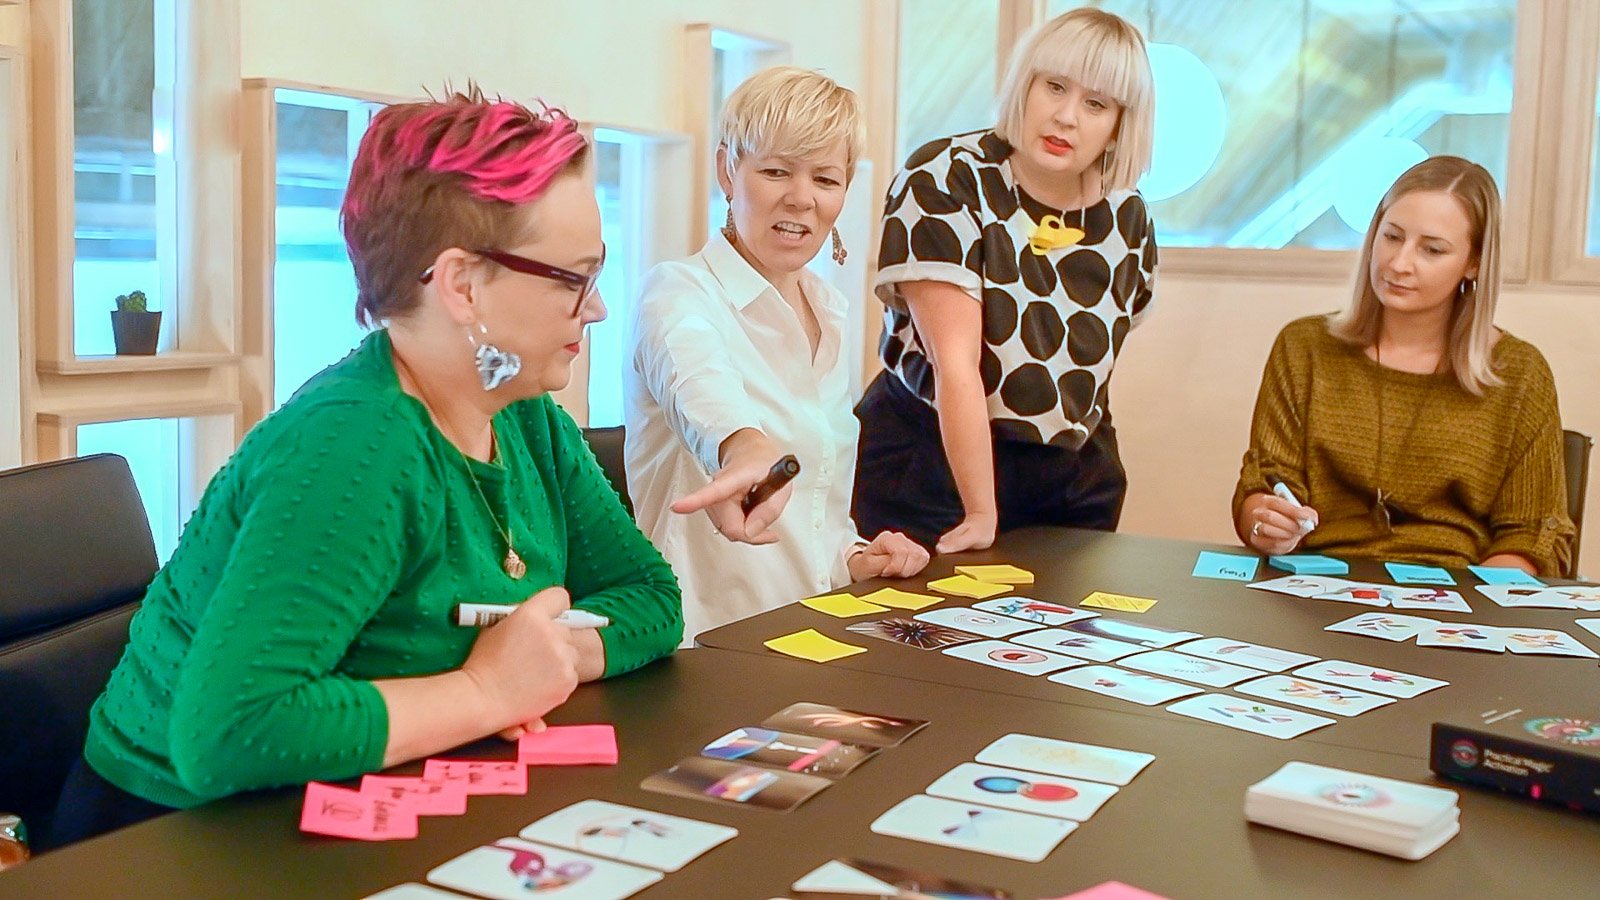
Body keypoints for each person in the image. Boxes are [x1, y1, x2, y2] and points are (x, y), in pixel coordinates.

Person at [48, 90, 682, 848]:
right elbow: (227, 733)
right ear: (462, 286)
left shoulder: (524, 417)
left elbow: (652, 598)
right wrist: (486, 688)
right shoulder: (353, 447)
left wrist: (552, 655)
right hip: (180, 837)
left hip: (364, 798)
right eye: (572, 278)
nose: (599, 307)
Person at [626, 66, 928, 642]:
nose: (802, 198)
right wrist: (744, 445)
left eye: (826, 178)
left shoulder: (830, 309)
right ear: (726, 171)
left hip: (813, 638)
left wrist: (856, 556)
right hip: (703, 647)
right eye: (775, 171)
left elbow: (818, 513)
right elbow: (702, 391)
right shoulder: (677, 293)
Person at [853, 8, 1158, 554]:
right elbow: (955, 366)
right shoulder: (946, 177)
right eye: (1055, 87)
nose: (1066, 117)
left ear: (1120, 122)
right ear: (1026, 84)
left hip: (1071, 479)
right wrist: (981, 511)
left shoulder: (1127, 213)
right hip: (933, 465)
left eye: (1095, 103)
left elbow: (1089, 369)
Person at [1235, 155, 1574, 576]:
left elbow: (1532, 537)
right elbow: (1264, 486)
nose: (1399, 263)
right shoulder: (1303, 347)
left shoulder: (1519, 373)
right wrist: (1266, 523)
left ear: (1474, 262)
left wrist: (1468, 608)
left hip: (1456, 596)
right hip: (1312, 588)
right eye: (1391, 237)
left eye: (1432, 249)